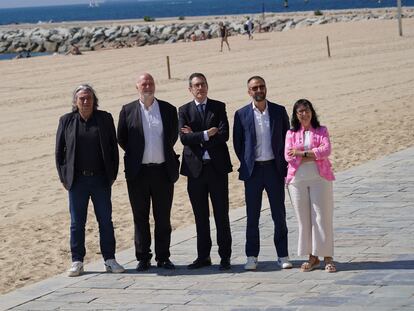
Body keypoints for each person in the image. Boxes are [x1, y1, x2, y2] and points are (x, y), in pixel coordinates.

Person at [55, 84, 124, 277]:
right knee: (77, 223)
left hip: (101, 180)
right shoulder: (66, 121)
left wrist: (112, 175)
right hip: (77, 182)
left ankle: (109, 259)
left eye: (89, 98)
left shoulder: (105, 118)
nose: (86, 101)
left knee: (106, 221)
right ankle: (77, 261)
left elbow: (113, 149)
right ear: (75, 102)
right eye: (82, 98)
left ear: (94, 101)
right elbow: (59, 152)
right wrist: (64, 177)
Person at [117, 73, 180, 271]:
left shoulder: (168, 109)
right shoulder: (127, 110)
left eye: (151, 82)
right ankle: (143, 258)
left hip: (162, 171)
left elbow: (172, 136)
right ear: (137, 86)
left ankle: (163, 257)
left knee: (163, 217)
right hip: (138, 173)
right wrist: (136, 154)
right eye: (144, 83)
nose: (147, 86)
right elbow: (122, 138)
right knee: (140, 217)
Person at [233, 76, 292, 271]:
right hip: (253, 171)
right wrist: (247, 161)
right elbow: (238, 143)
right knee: (252, 216)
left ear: (266, 88)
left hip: (274, 169)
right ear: (249, 91)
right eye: (254, 88)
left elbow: (287, 137)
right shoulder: (241, 114)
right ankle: (252, 256)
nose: (258, 90)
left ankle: (283, 254)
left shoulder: (278, 111)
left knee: (279, 215)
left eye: (261, 86)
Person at [179, 72, 232, 270]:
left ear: (207, 86)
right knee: (200, 216)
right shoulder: (184, 110)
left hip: (217, 169)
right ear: (190, 89)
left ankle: (225, 256)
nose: (200, 88)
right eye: (196, 85)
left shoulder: (218, 107)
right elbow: (184, 139)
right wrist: (206, 134)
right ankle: (203, 256)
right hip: (195, 171)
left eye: (202, 84)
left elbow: (224, 134)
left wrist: (195, 135)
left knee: (221, 215)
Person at [284, 99, 336, 273]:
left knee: (322, 217)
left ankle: (327, 256)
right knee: (304, 219)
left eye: (306, 111)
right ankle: (312, 257)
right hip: (297, 180)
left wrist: (301, 153)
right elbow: (288, 157)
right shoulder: (291, 133)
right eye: (300, 112)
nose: (304, 114)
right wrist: (313, 154)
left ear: (311, 112)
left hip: (320, 178)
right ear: (296, 115)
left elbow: (326, 150)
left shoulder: (322, 130)